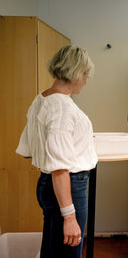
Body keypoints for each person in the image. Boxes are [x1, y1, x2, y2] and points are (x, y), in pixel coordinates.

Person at [16, 45, 97, 258]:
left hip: (47, 185)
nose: (87, 80)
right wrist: (70, 217)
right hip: (67, 186)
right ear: (76, 73)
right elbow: (60, 167)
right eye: (86, 75)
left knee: (53, 251)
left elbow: (28, 149)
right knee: (68, 252)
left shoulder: (41, 99)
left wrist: (77, 140)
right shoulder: (62, 107)